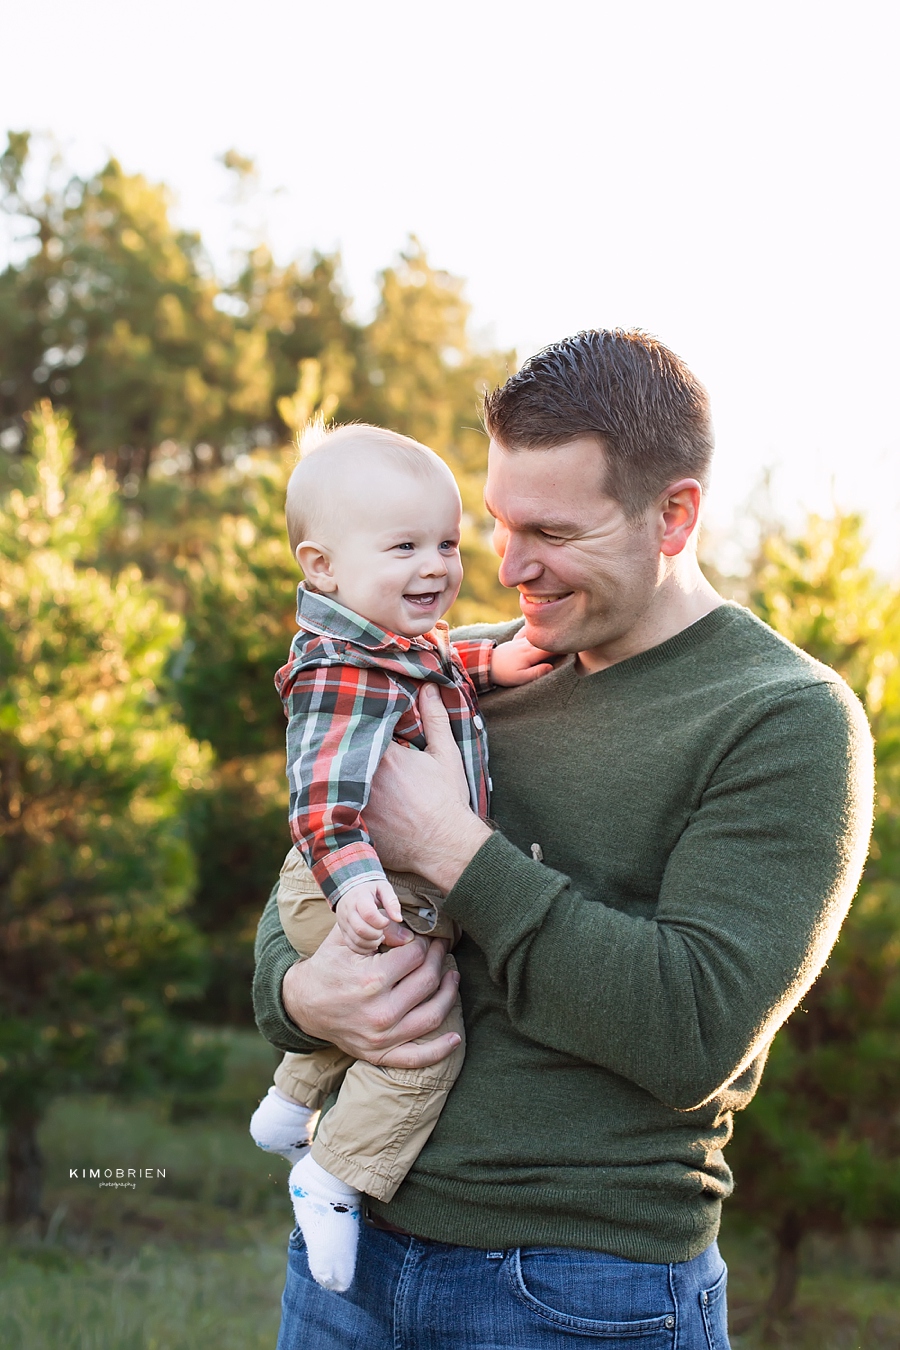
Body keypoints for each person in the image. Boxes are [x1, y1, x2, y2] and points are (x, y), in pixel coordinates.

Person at [253, 329, 874, 1349]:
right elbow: (302, 884)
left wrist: (454, 849)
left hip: (580, 1290)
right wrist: (297, 996)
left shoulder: (785, 719)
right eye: (495, 524)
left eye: (549, 531)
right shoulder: (453, 670)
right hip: (346, 1258)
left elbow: (691, 1033)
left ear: (673, 516)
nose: (505, 568)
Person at [248, 422, 553, 1292]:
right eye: (406, 546)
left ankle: (287, 1101)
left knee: (376, 996)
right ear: (322, 568)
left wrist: (492, 662)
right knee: (423, 1039)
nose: (438, 566)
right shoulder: (337, 674)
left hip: (364, 884)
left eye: (449, 544)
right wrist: (357, 888)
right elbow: (321, 803)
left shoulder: (389, 642)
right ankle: (334, 1173)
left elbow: (438, 664)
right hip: (347, 878)